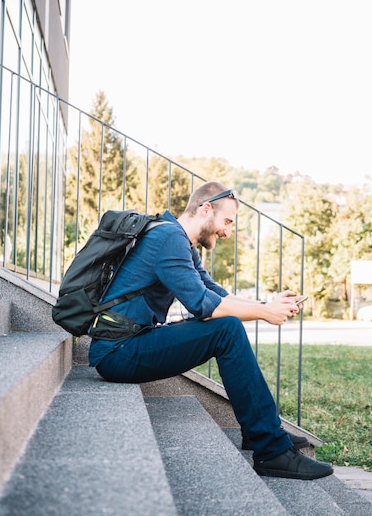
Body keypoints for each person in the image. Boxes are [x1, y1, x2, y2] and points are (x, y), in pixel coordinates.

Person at [89, 181, 333, 480]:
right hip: (118, 352)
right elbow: (204, 306)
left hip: (131, 344)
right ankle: (271, 450)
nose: (228, 232)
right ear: (206, 209)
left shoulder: (180, 241)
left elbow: (216, 294)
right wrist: (266, 313)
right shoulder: (168, 238)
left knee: (226, 325)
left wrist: (267, 304)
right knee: (226, 329)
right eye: (227, 221)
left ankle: (259, 433)